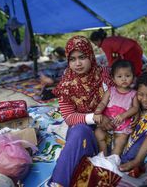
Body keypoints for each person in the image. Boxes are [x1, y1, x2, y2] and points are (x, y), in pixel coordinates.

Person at [48, 35, 115, 186]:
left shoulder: (104, 75)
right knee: (79, 131)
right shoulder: (66, 85)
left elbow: (119, 98)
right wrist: (95, 118)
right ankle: (58, 183)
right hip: (84, 134)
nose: (77, 63)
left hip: (110, 131)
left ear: (90, 55)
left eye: (82, 57)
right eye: (72, 59)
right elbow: (69, 117)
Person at [93, 60, 139, 156]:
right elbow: (103, 103)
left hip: (123, 125)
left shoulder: (133, 93)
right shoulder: (110, 91)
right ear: (113, 79)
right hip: (107, 123)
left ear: (133, 78)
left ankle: (113, 160)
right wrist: (98, 111)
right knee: (98, 133)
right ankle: (103, 155)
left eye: (127, 76)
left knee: (120, 141)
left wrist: (124, 115)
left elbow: (135, 108)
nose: (124, 79)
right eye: (119, 76)